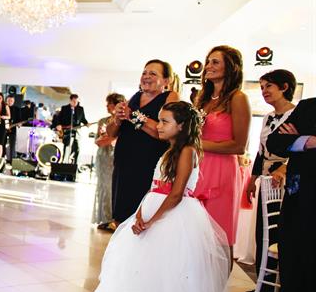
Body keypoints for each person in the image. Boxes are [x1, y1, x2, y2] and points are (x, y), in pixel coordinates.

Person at [92, 101, 230, 292]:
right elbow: (156, 187)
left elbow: (177, 193)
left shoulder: (189, 151)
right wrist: (142, 214)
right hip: (154, 208)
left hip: (172, 216)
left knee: (165, 280)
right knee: (144, 277)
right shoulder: (170, 150)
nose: (160, 125)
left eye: (165, 121)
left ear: (182, 126)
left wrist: (153, 221)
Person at [248, 97, 316, 292]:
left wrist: (296, 138)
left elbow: (288, 140)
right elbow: (275, 142)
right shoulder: (309, 106)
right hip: (298, 206)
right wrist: (310, 141)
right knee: (294, 278)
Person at [194, 46, 251, 256]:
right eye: (208, 62)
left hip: (221, 170)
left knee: (219, 236)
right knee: (195, 233)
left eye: (215, 62)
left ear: (231, 67)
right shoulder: (204, 99)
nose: (208, 66)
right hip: (198, 168)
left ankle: (217, 287)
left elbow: (239, 146)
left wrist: (198, 144)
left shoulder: (238, 98)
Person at [107, 60, 179, 224]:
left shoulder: (170, 97)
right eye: (144, 73)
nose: (146, 77)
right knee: (120, 214)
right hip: (123, 164)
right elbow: (111, 133)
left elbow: (163, 132)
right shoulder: (135, 97)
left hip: (147, 165)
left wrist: (132, 116)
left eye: (153, 74)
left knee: (141, 215)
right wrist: (117, 119)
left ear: (166, 81)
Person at [244, 69, 296, 292]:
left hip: (287, 179)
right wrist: (251, 180)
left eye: (269, 86)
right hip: (266, 178)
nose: (264, 91)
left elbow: (298, 150)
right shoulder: (266, 118)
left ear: (284, 87)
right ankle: (263, 281)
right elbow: (260, 152)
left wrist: (284, 168)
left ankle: (286, 284)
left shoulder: (297, 115)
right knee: (263, 229)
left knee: (283, 228)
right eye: (262, 87)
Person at [92, 93, 125, 230]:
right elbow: (98, 141)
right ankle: (105, 218)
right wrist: (110, 138)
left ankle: (115, 218)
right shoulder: (103, 121)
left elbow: (110, 138)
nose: (107, 106)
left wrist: (109, 138)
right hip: (104, 157)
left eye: (108, 103)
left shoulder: (124, 120)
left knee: (116, 188)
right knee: (104, 187)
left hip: (118, 156)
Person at [52, 93, 88, 163]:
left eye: (77, 101)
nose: (75, 103)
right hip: (67, 131)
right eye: (74, 101)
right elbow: (59, 118)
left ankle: (74, 164)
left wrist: (86, 123)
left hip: (77, 131)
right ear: (70, 101)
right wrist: (58, 125)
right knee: (67, 147)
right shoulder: (64, 108)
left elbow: (83, 119)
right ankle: (64, 162)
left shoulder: (81, 109)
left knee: (77, 148)